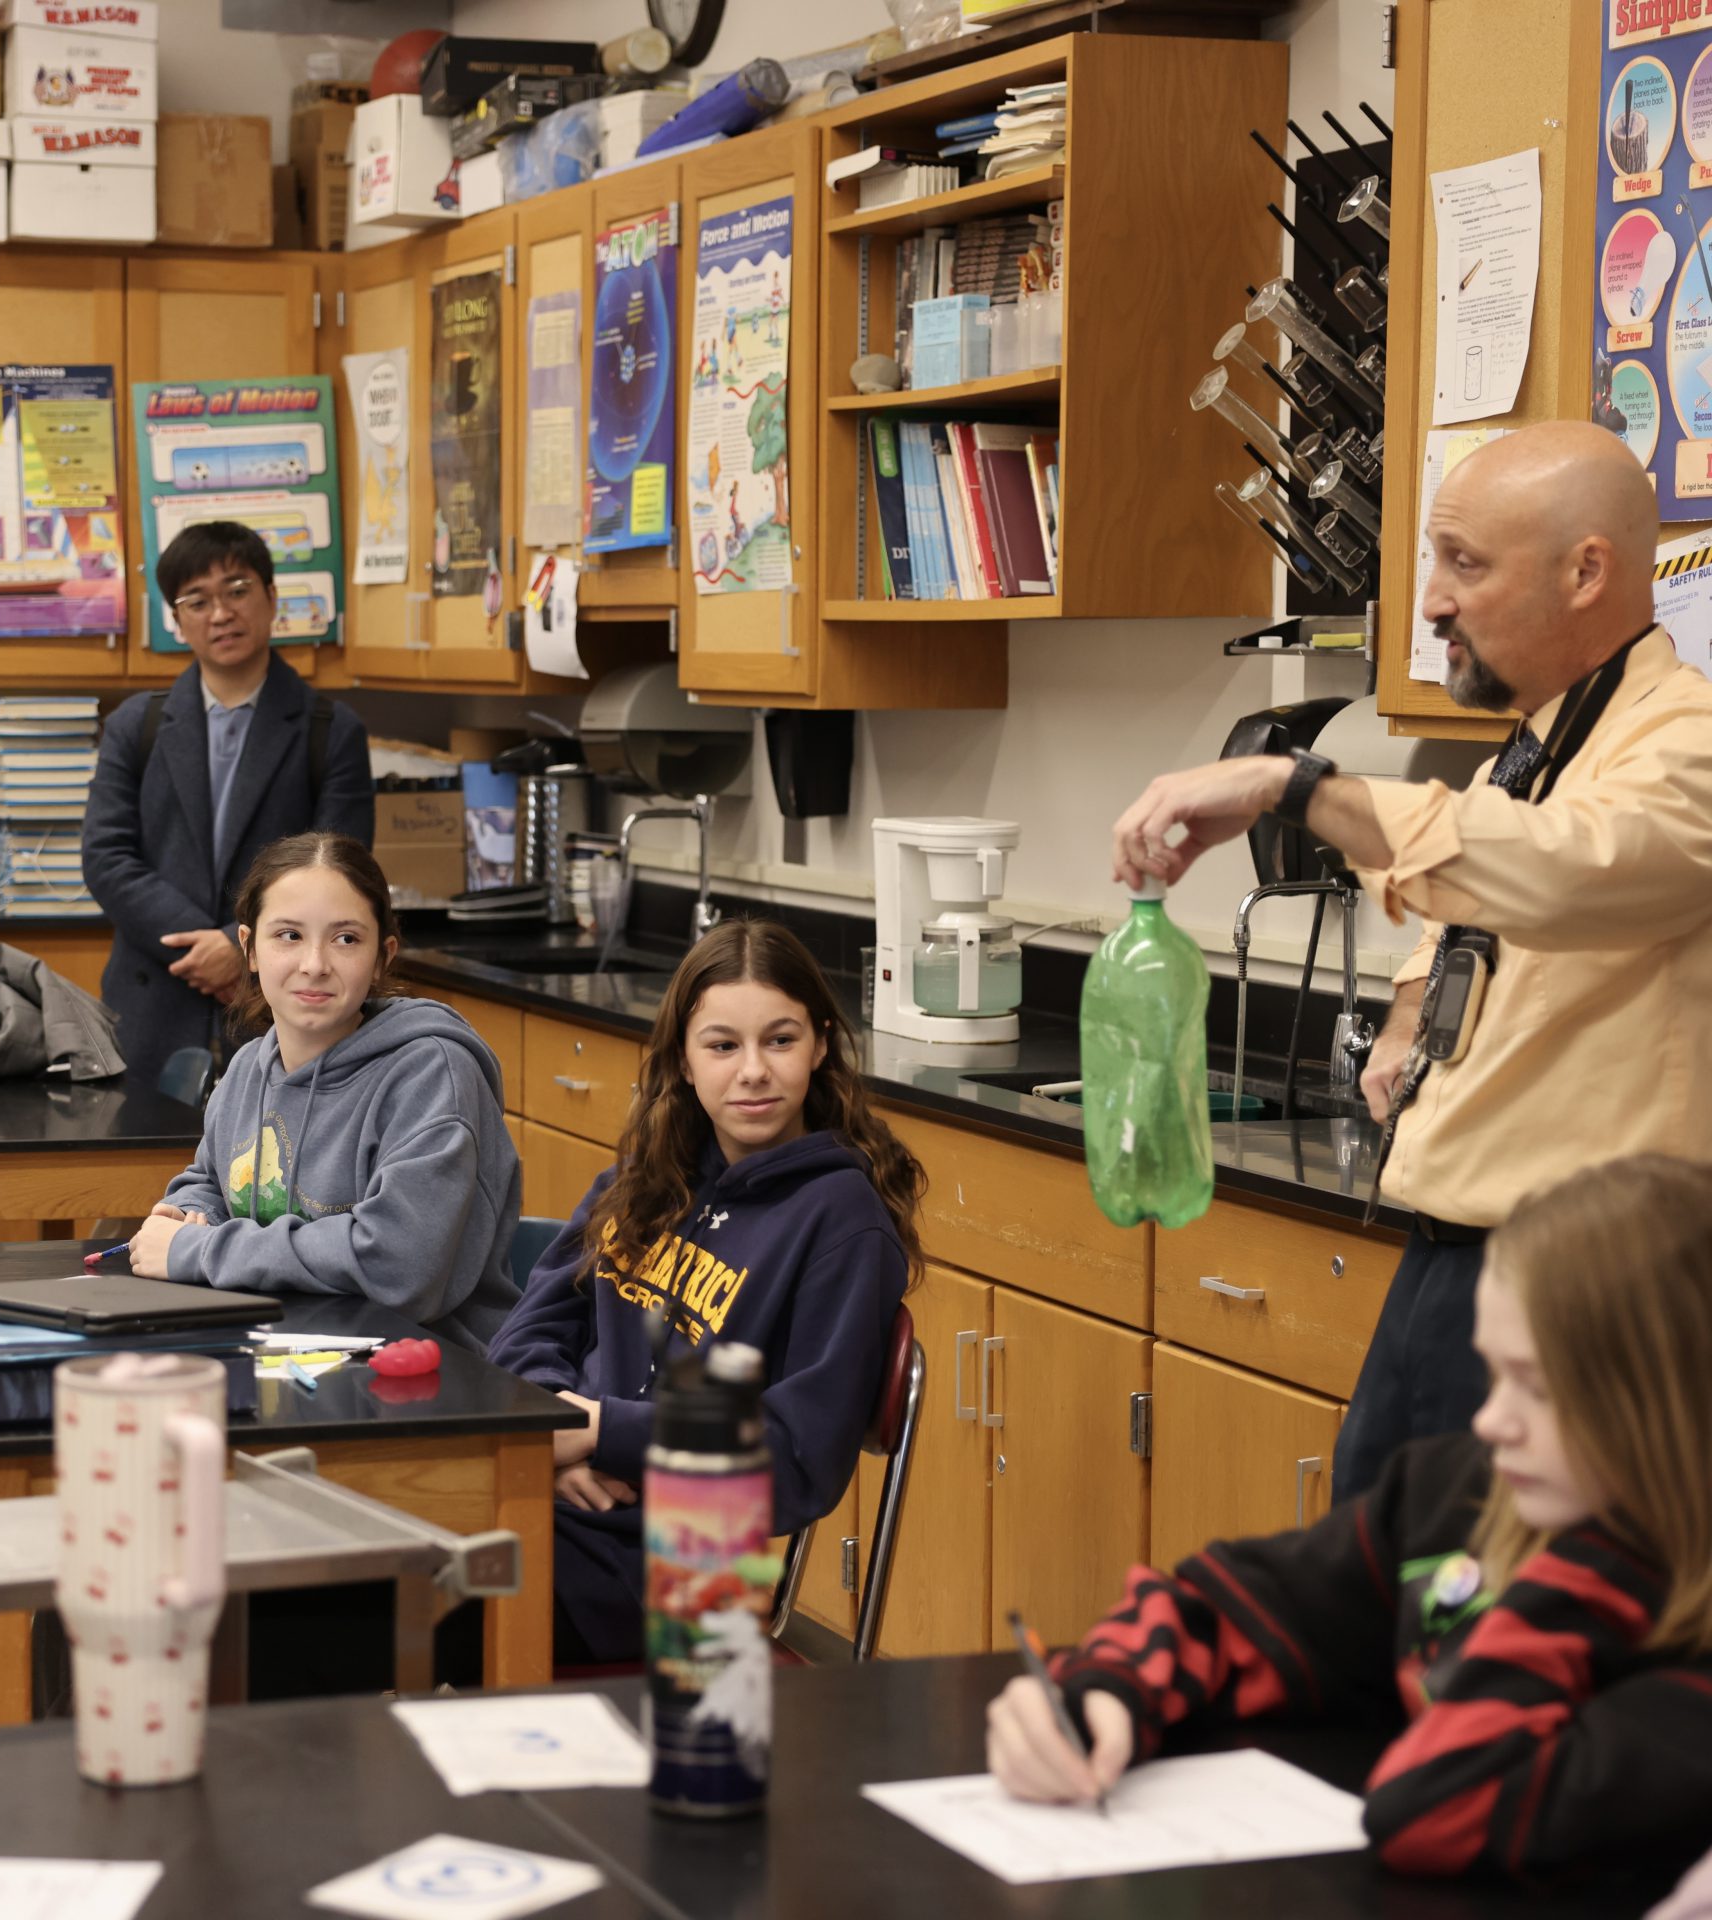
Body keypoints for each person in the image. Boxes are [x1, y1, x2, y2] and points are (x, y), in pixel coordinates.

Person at [1105, 422, 1712, 1498]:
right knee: (1376, 1578)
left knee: (1484, 1597)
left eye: (1463, 564)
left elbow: (1559, 871)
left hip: (1591, 1299)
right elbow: (1471, 900)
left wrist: (1294, 787)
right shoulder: (1545, 740)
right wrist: (1404, 1012)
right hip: (1453, 1259)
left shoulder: (1687, 741)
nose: (1430, 603)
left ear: (1586, 572)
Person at [986, 1154, 1712, 1884]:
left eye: (1540, 1390)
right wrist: (1103, 1691)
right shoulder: (1455, 1497)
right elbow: (1224, 1611)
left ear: (1672, 1407)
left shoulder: (1677, 1665)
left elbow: (1440, 1805)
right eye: (1494, 1375)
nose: (1492, 1421)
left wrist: (1576, 1566)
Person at [486, 920, 923, 1667]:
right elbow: (524, 1337)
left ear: (820, 1046)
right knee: (351, 1558)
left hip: (678, 1576)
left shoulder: (843, 1224)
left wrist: (601, 1433)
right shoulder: (647, 1177)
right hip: (552, 1506)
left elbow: (794, 1458)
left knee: (371, 1603)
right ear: (683, 1061)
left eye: (779, 1040)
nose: (753, 1071)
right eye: (722, 1045)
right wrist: (556, 1446)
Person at [128, 831, 520, 1352]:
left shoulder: (431, 1074)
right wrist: (185, 1216)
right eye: (289, 935)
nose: (314, 963)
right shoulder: (247, 1068)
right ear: (249, 948)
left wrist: (200, 1251)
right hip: (280, 1350)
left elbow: (399, 1266)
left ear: (382, 957)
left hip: (427, 1368)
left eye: (346, 939)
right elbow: (210, 1182)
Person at [82, 520, 373, 1077]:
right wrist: (207, 951)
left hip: (280, 1007)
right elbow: (106, 857)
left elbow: (341, 873)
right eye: (197, 601)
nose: (220, 614)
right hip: (151, 1004)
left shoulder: (331, 730)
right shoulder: (135, 725)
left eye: (237, 591)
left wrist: (240, 951)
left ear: (271, 597)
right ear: (177, 620)